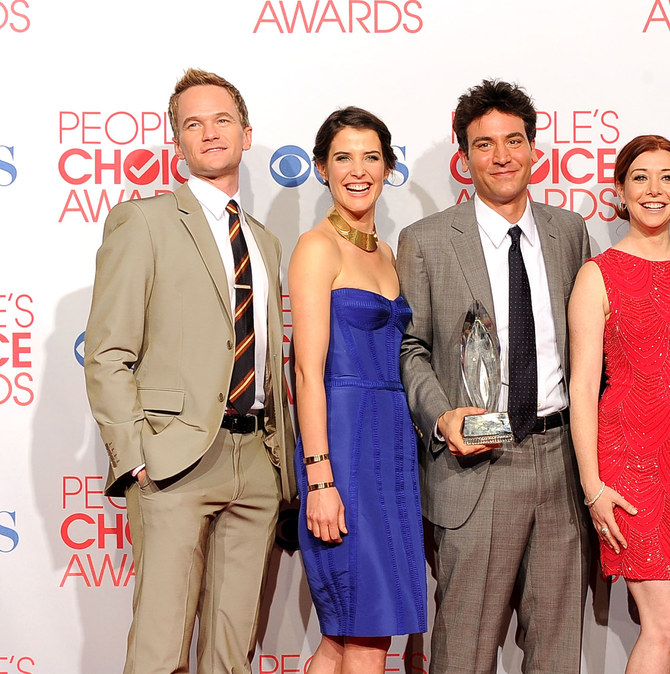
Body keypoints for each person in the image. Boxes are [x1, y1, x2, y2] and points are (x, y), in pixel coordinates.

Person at [84, 68, 295, 674]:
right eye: (192, 123)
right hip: (174, 458)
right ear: (176, 140)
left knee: (231, 652)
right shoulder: (143, 221)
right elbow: (107, 352)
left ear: (246, 134)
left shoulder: (265, 239)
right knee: (159, 649)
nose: (209, 132)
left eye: (222, 119)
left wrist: (279, 460)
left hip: (255, 460)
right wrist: (135, 453)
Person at [397, 79, 591, 674]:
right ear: (465, 157)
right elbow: (410, 346)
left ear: (535, 148)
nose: (501, 155)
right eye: (484, 144)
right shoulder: (425, 241)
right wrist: (441, 414)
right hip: (476, 460)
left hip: (561, 457)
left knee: (557, 651)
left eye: (513, 141)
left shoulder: (569, 232)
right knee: (463, 651)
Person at [569, 135, 670, 674]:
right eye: (639, 177)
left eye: (667, 178)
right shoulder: (599, 274)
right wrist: (594, 488)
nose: (654, 189)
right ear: (618, 192)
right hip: (632, 471)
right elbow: (583, 391)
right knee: (664, 626)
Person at [288, 106, 427, 673]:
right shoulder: (316, 248)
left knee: (349, 636)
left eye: (371, 156)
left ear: (389, 166)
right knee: (366, 634)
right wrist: (319, 475)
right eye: (343, 157)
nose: (358, 169)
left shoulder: (386, 253)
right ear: (322, 168)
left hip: (392, 449)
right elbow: (306, 372)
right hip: (341, 445)